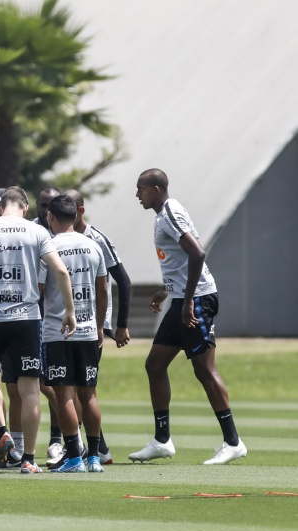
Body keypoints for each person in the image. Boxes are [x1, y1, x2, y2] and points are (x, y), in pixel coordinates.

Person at [131, 169, 246, 465]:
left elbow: (197, 254)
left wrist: (188, 302)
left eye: (141, 189)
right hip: (183, 297)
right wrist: (166, 291)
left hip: (196, 300)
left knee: (205, 370)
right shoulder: (165, 213)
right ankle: (162, 440)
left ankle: (233, 442)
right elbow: (180, 262)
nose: (137, 195)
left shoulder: (169, 212)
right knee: (155, 365)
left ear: (156, 189)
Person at [0, 186, 76, 474]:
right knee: (29, 390)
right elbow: (61, 271)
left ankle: (2, 431)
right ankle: (28, 458)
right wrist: (70, 311)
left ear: (0, 208)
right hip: (26, 319)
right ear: (25, 208)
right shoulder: (36, 232)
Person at [41, 194, 108, 473]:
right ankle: (94, 458)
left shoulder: (48, 247)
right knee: (89, 394)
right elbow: (103, 289)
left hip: (58, 332)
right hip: (89, 329)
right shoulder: (93, 246)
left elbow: (40, 290)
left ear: (51, 217)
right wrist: (100, 325)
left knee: (64, 394)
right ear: (75, 215)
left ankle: (73, 458)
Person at [68, 188, 133, 465]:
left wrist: (120, 325)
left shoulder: (96, 239)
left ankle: (96, 448)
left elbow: (124, 281)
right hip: (64, 324)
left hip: (92, 326)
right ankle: (93, 447)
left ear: (80, 211)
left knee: (81, 389)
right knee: (69, 388)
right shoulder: (57, 237)